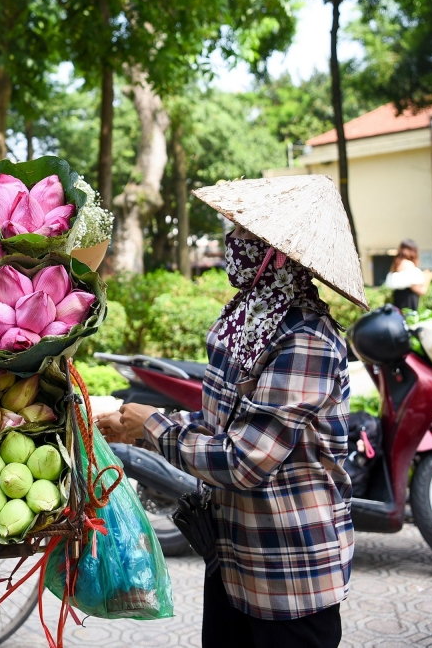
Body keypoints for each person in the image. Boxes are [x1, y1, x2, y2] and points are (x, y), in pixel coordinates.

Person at [97, 175, 365, 648]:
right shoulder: (244, 320)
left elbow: (245, 460)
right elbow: (216, 428)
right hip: (233, 559)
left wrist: (153, 427)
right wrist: (134, 428)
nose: (231, 243)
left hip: (290, 575)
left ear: (276, 255)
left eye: (246, 238)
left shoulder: (306, 340)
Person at [384, 239, 431, 311]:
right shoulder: (408, 264)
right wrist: (427, 278)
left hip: (399, 300)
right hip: (408, 302)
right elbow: (419, 290)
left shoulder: (397, 265)